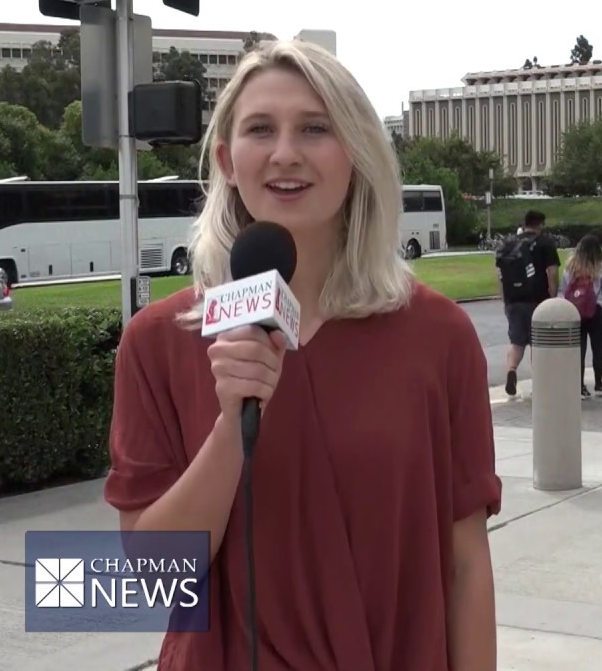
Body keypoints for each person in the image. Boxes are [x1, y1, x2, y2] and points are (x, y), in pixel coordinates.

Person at [102, 40, 501, 671]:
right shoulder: (158, 341)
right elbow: (154, 578)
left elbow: (466, 562)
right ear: (228, 161)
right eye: (261, 129)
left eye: (315, 128)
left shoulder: (438, 336)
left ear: (355, 155)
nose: (285, 153)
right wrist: (232, 425)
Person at [496, 209, 561, 398]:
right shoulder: (545, 243)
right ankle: (538, 384)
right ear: (540, 224)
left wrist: (505, 301)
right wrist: (552, 297)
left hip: (513, 301)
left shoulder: (508, 244)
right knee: (537, 344)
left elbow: (500, 275)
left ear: (525, 224)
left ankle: (511, 370)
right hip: (537, 301)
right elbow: (552, 272)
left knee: (516, 342)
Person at [560, 235, 602, 398]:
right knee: (597, 348)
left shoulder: (571, 267)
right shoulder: (600, 267)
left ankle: (580, 386)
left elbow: (565, 290)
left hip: (575, 311)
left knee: (579, 350)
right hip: (596, 309)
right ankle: (598, 384)